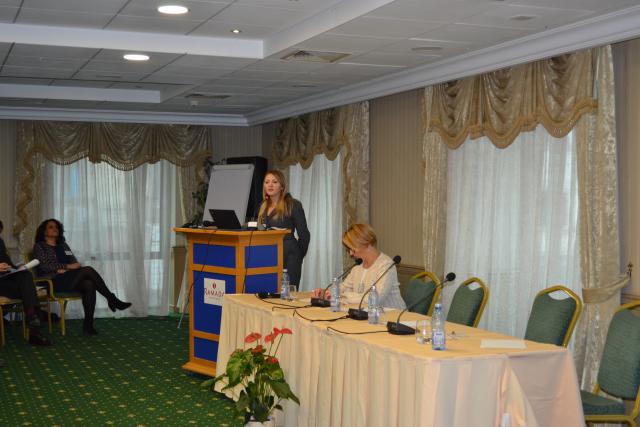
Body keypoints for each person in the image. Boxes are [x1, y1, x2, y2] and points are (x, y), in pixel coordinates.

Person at [33, 219, 131, 336]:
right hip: (53, 282)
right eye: (51, 227)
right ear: (44, 231)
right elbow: (44, 266)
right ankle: (111, 299)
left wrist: (67, 268)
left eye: (57, 227)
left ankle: (88, 326)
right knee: (88, 270)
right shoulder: (40, 246)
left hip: (67, 278)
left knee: (89, 284)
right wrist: (65, 266)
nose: (55, 229)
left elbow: (75, 262)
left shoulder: (63, 245)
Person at [313, 223, 406, 310]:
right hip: (368, 316)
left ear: (367, 244)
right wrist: (325, 292)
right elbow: (343, 288)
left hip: (395, 319)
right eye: (348, 249)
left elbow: (375, 299)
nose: (350, 253)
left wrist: (344, 296)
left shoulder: (386, 265)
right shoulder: (358, 267)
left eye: (353, 249)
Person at [0, 220, 52, 346]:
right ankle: (34, 325)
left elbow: (8, 264)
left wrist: (16, 268)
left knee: (25, 274)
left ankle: (32, 319)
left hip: (6, 281)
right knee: (29, 291)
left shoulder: (0, 243)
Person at [257, 170, 310, 289]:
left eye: (274, 182)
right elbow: (260, 229)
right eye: (267, 182)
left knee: (287, 294)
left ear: (282, 186)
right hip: (268, 254)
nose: (270, 185)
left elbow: (304, 234)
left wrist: (298, 255)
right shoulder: (262, 206)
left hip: (289, 255)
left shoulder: (292, 204)